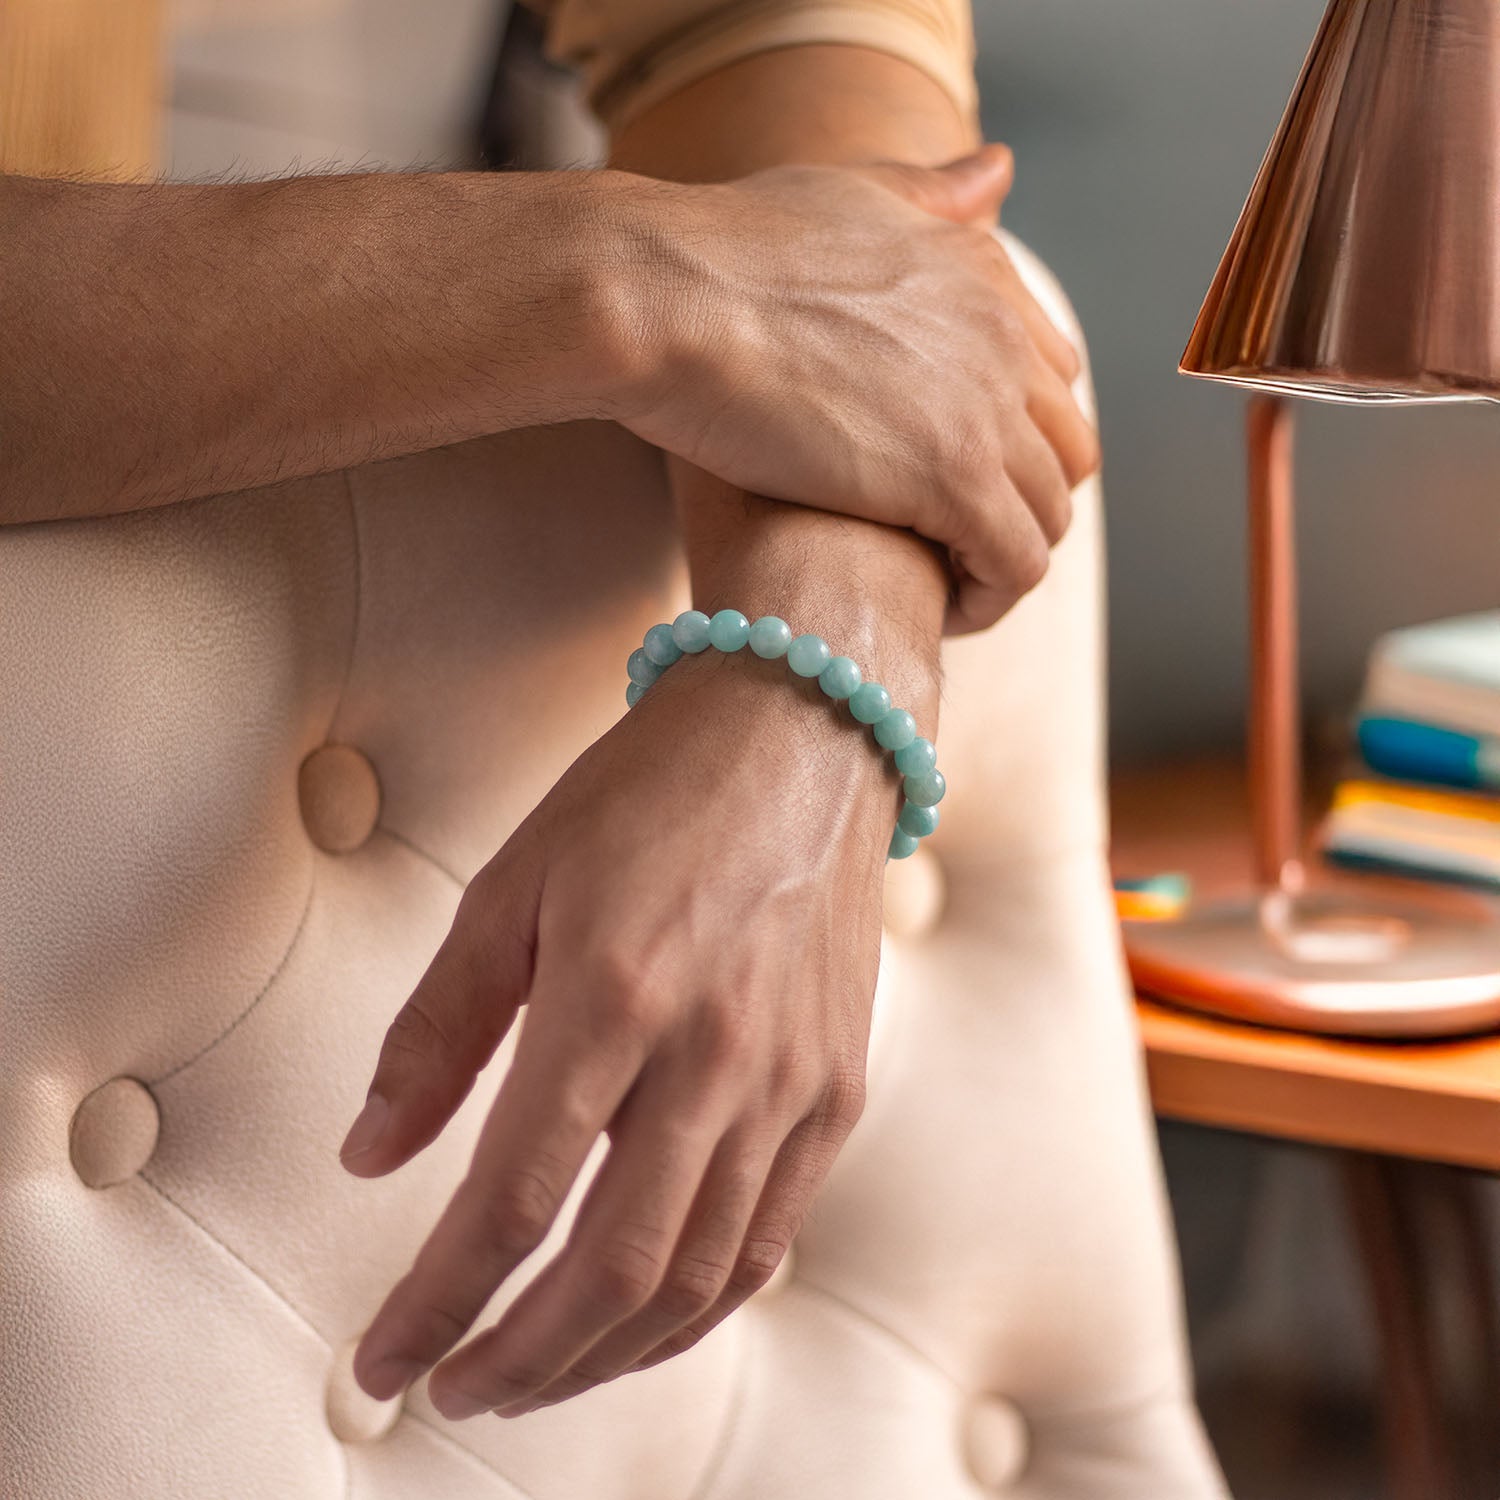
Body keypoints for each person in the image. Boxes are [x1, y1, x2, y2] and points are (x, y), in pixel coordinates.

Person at [0, 0, 1097, 1427]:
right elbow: (793, 271)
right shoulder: (663, 290)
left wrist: (820, 670)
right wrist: (645, 286)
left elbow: (781, 46)